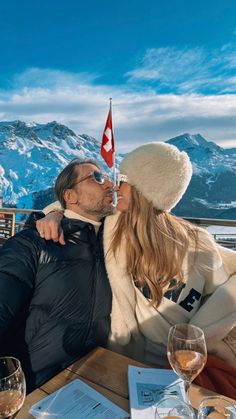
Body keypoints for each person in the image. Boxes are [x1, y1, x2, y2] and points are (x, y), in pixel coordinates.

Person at [37, 143, 236, 396]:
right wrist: (54, 214)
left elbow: (229, 283)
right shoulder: (112, 229)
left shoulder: (197, 244)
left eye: (123, 180)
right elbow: (79, 207)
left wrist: (197, 334)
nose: (115, 187)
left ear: (144, 189)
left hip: (179, 372)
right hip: (120, 367)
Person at [0, 158, 114, 393]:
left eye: (107, 177)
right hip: (40, 385)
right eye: (97, 178)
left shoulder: (113, 243)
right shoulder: (32, 244)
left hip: (98, 378)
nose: (109, 184)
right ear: (70, 196)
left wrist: (56, 213)